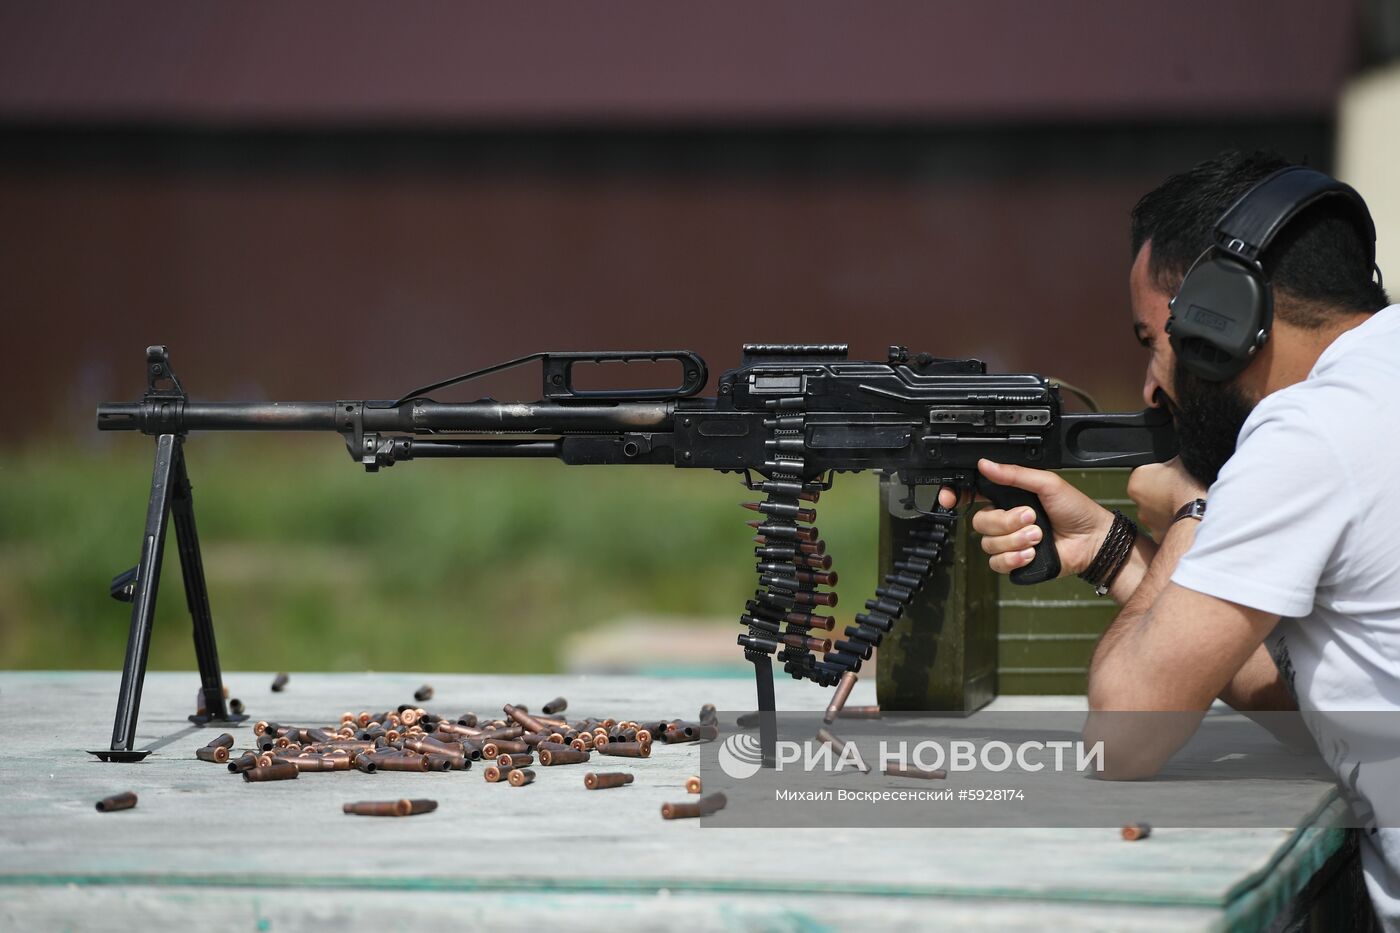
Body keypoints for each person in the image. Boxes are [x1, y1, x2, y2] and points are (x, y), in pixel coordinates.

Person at [943, 150, 1398, 927]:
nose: (1153, 386)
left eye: (1154, 339)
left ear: (1222, 318)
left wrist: (1193, 509)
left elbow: (1123, 739)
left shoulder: (1307, 433)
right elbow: (1322, 699)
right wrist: (1117, 553)